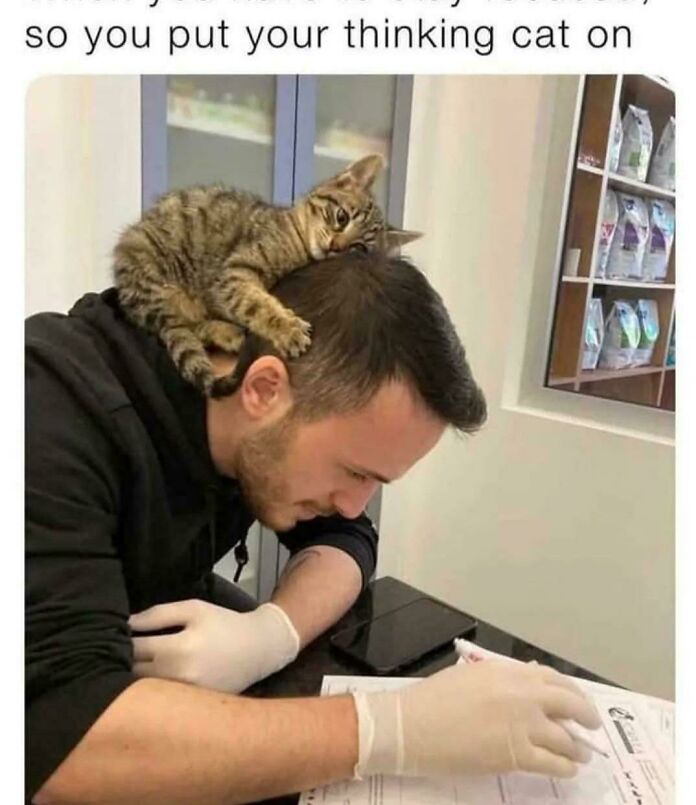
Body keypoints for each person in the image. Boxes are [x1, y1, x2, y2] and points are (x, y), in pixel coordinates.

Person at [26, 252, 601, 804]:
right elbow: (60, 741)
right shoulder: (45, 416)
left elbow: (347, 539)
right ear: (264, 389)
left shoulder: (249, 416)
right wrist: (386, 730)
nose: (354, 505)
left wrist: (271, 634)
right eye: (354, 472)